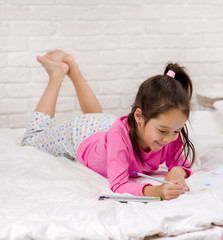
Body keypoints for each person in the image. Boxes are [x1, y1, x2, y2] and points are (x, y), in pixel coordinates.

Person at [21, 50, 195, 200]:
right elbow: (119, 185)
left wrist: (175, 174)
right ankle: (56, 75)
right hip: (81, 133)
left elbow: (181, 164)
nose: (169, 138)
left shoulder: (169, 130)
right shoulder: (118, 137)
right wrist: (157, 191)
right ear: (139, 116)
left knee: (97, 117)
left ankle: (73, 70)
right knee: (30, 141)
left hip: (105, 126)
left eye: (177, 131)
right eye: (163, 131)